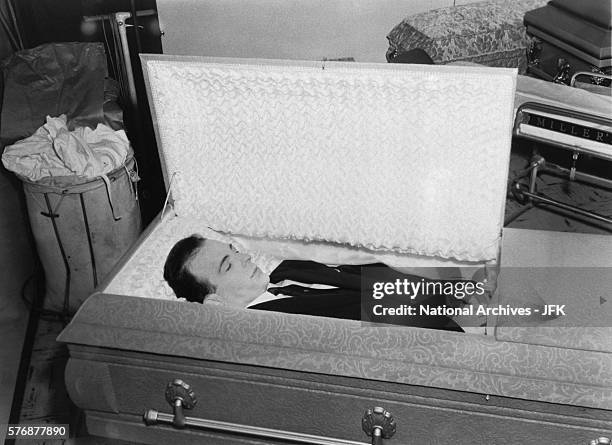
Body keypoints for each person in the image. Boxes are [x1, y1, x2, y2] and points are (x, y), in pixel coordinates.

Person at [163, 234, 464, 332]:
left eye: (235, 252)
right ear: (216, 303)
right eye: (228, 265)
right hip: (446, 335)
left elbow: (365, 268)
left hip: (448, 297)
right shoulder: (277, 330)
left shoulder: (285, 271)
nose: (244, 259)